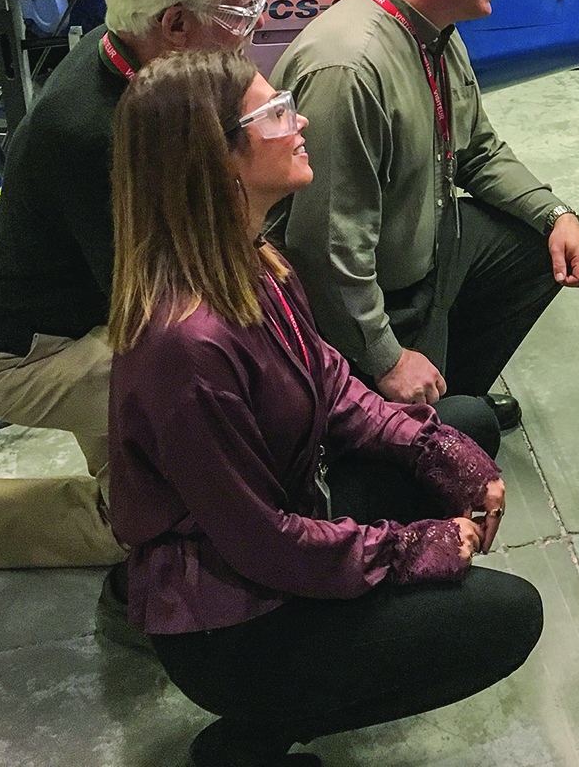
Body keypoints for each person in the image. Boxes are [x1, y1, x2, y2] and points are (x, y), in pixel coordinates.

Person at [107, 49, 542, 767]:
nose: (298, 118)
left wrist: (429, 448)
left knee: (462, 421)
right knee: (507, 616)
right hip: (232, 622)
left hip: (279, 524)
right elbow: (264, 543)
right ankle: (257, 724)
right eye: (273, 113)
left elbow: (330, 382)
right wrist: (409, 551)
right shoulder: (187, 348)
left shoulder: (253, 258)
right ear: (220, 161)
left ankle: (300, 688)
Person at [0, 0, 267, 577]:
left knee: (181, 460)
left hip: (98, 315)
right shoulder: (96, 130)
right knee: (171, 511)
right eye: (239, 14)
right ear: (176, 25)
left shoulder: (132, 53)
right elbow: (163, 309)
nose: (255, 28)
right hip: (35, 356)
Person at [271, 0, 579, 437]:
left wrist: (554, 213)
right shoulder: (350, 69)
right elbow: (325, 250)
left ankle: (448, 393)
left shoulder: (435, 33)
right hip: (361, 296)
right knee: (451, 439)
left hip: (425, 247)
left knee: (534, 245)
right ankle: (408, 400)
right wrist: (384, 357)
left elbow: (479, 149)